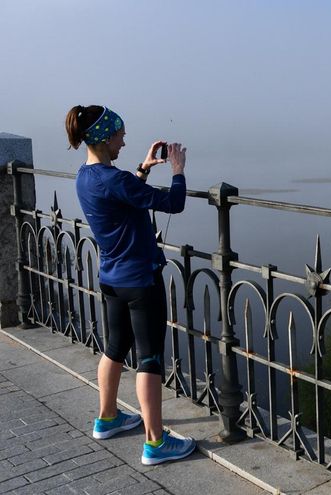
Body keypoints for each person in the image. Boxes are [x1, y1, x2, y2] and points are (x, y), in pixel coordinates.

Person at [66, 105, 196, 465]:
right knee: (150, 358)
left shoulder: (85, 176)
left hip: (111, 279)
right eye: (120, 134)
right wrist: (178, 170)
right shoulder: (115, 179)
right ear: (105, 138)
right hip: (141, 281)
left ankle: (107, 418)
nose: (124, 140)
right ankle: (156, 442)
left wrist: (141, 169)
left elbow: (120, 196)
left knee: (114, 348)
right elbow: (174, 203)